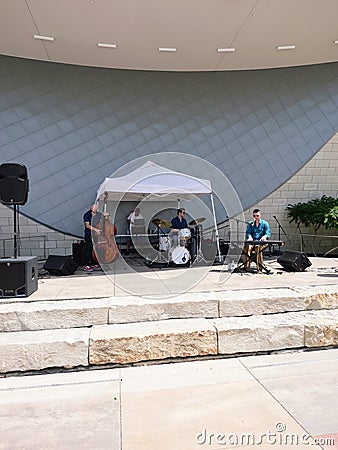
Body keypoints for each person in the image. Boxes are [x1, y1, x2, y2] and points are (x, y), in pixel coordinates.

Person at [83, 204, 102, 272]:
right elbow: (87, 226)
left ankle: (95, 263)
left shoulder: (99, 214)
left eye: (95, 208)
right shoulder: (87, 215)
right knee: (88, 249)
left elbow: (104, 220)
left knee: (95, 250)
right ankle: (86, 265)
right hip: (89, 234)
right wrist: (96, 230)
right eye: (93, 207)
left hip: (96, 235)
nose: (94, 209)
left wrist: (106, 215)